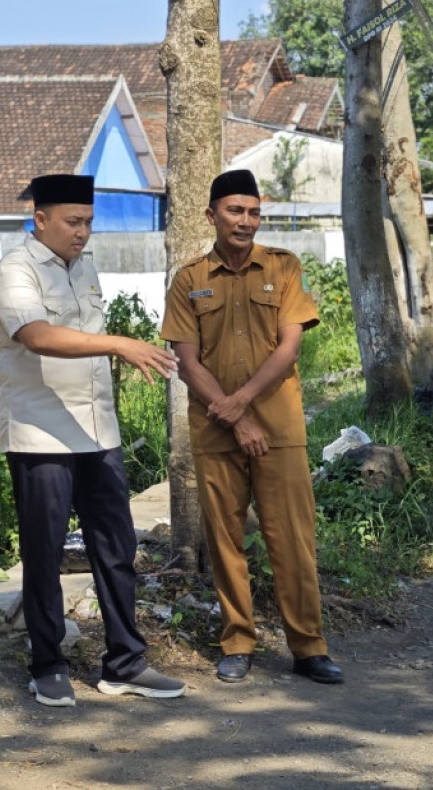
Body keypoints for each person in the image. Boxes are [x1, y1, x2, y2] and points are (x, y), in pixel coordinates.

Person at [0, 173, 185, 707]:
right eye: (73, 222)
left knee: (116, 547)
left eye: (89, 223)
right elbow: (36, 336)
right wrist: (119, 342)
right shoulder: (15, 270)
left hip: (98, 431)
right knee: (44, 552)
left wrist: (112, 350)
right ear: (41, 219)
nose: (83, 233)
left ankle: (125, 662)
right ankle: (47, 663)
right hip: (40, 435)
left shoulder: (85, 267)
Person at [160, 169, 344, 686]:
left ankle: (308, 646)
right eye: (235, 211)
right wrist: (235, 416)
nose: (246, 221)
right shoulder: (190, 279)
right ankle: (237, 641)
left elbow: (289, 347)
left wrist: (240, 404)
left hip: (278, 427)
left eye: (254, 212)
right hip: (217, 429)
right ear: (212, 214)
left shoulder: (284, 269)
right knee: (225, 539)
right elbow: (187, 361)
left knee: (292, 539)